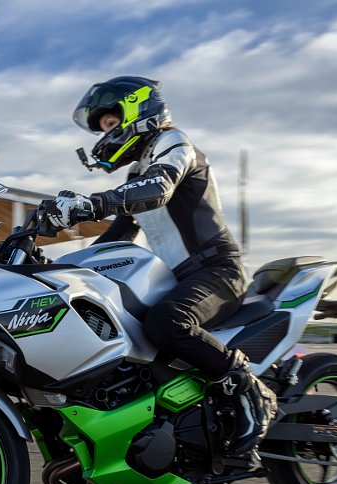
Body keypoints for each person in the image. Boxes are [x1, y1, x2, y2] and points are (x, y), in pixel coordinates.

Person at [41, 75, 277, 460]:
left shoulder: (174, 144)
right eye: (103, 127)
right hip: (182, 277)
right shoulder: (137, 173)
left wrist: (91, 204)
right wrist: (58, 269)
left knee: (166, 322)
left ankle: (250, 389)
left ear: (137, 108)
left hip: (219, 271)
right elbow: (116, 240)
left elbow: (158, 189)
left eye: (111, 123)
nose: (107, 133)